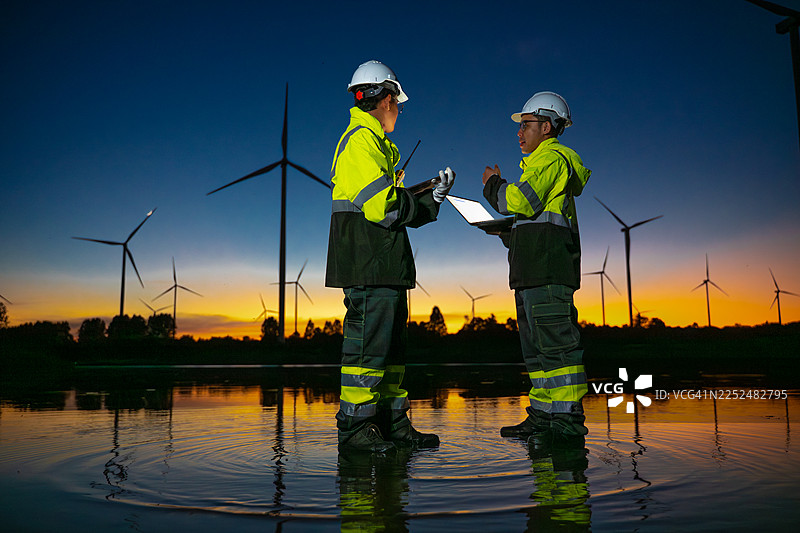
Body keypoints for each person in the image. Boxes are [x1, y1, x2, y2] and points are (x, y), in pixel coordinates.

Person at [326, 60, 455, 452]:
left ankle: (392, 423)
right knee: (367, 353)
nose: (398, 108)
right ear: (385, 99)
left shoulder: (377, 146)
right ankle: (355, 430)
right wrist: (427, 202)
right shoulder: (360, 142)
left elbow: (388, 203)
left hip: (385, 265)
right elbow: (383, 208)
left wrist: (427, 196)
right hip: (369, 265)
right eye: (397, 101)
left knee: (392, 356)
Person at [482, 91, 591, 449]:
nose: (519, 132)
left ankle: (567, 424)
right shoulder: (538, 165)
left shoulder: (552, 159)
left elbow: (519, 201)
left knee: (558, 351)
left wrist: (493, 186)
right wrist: (508, 232)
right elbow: (534, 219)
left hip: (547, 273)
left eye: (525, 124)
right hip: (532, 271)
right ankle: (543, 417)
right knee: (538, 354)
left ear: (546, 127)